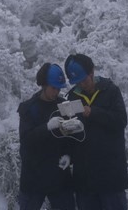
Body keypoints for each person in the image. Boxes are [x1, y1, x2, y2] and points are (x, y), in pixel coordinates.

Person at [64, 53, 128, 210]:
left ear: (92, 72)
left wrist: (94, 113)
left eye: (84, 80)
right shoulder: (73, 96)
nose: (82, 84)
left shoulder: (110, 91)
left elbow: (120, 121)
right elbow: (74, 136)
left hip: (110, 174)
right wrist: (66, 127)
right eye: (77, 82)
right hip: (84, 177)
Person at [17, 63, 75, 210]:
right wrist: (46, 127)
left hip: (60, 177)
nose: (56, 92)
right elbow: (26, 141)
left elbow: (73, 138)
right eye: (53, 87)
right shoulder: (29, 108)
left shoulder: (65, 105)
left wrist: (70, 155)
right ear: (44, 84)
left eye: (59, 88)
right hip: (34, 177)